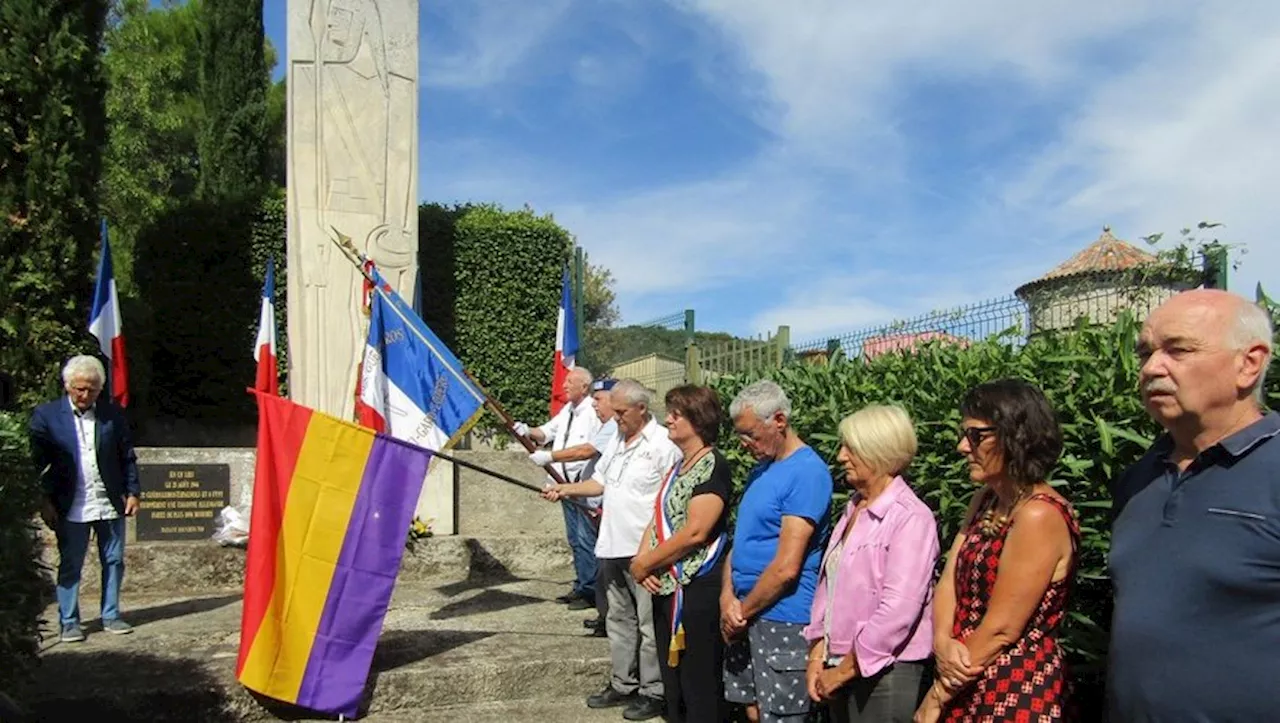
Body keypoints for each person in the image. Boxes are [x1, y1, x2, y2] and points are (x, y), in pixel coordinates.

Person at [1108, 289, 1277, 721]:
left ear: (1249, 363)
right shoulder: (1139, 480)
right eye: (1145, 352)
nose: (1150, 368)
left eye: (1177, 350)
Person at [915, 379, 1078, 723]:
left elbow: (1002, 628)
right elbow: (948, 583)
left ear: (1016, 435)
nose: (963, 446)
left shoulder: (1039, 514)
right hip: (964, 674)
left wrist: (937, 696)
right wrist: (942, 643)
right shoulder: (984, 501)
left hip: (1015, 688)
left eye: (976, 435)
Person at [545, 379, 679, 721]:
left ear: (641, 409)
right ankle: (622, 683)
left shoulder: (665, 444)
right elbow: (599, 484)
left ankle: (653, 691)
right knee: (618, 619)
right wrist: (565, 490)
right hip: (610, 547)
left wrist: (655, 553)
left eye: (620, 412)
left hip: (645, 553)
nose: (614, 418)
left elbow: (669, 502)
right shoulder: (618, 440)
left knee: (650, 626)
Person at [803, 405, 938, 723]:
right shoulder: (853, 510)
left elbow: (898, 610)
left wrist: (845, 670)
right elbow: (829, 592)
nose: (840, 456)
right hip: (841, 666)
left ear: (878, 451)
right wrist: (817, 656)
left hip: (886, 673)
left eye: (851, 447)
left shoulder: (911, 518)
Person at [721, 379, 833, 723]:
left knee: (783, 716)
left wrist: (742, 611)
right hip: (746, 610)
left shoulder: (807, 473)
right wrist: (727, 597)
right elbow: (742, 540)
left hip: (780, 615)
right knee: (754, 710)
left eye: (752, 435)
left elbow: (787, 567)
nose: (745, 445)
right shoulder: (762, 469)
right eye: (740, 436)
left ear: (780, 421)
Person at [629, 385, 732, 723]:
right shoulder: (679, 466)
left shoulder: (712, 465)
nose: (668, 419)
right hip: (666, 586)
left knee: (698, 681)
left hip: (697, 588)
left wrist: (648, 562)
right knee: (674, 683)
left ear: (697, 420)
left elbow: (696, 531)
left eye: (677, 414)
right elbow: (658, 520)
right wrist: (640, 563)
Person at [29, 355, 141, 643]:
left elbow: (126, 456)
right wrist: (45, 501)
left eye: (91, 389)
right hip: (70, 502)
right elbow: (37, 464)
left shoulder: (112, 415)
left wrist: (133, 492)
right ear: (67, 386)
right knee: (71, 562)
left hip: (108, 500)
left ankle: (111, 614)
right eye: (79, 388)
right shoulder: (47, 417)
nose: (84, 395)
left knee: (114, 559)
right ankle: (69, 621)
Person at [514, 366, 602, 610]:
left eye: (570, 382)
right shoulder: (568, 411)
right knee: (574, 538)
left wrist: (550, 457)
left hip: (583, 485)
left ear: (584, 386)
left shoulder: (593, 414)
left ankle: (591, 591)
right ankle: (581, 583)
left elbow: (587, 449)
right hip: (563, 485)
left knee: (586, 538)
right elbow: (545, 432)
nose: (564, 386)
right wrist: (526, 430)